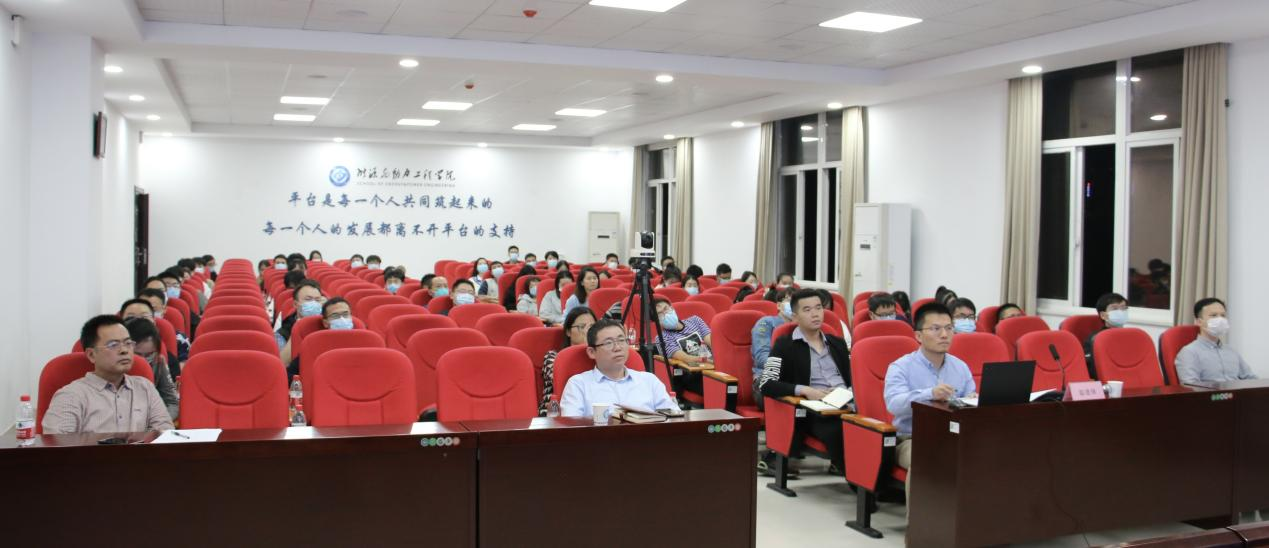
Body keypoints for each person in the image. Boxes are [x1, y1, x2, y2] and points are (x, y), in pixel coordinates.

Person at [884, 302, 976, 515]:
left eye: (949, 328)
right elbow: (894, 404)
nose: (944, 335)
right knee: (927, 459)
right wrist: (929, 394)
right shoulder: (901, 367)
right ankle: (919, 528)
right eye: (935, 329)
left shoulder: (960, 367)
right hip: (911, 438)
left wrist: (972, 400)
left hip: (954, 437)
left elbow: (969, 401)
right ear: (918, 335)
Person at [758, 289, 852, 473]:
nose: (815, 314)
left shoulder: (837, 343)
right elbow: (766, 383)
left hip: (847, 404)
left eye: (818, 308)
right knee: (841, 431)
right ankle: (859, 479)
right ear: (795, 317)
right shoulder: (784, 345)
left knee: (878, 429)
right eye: (807, 310)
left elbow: (852, 379)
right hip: (816, 410)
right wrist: (805, 390)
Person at [42, 315, 174, 434]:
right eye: (113, 345)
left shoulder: (145, 388)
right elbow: (58, 446)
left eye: (128, 343)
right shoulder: (72, 396)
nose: (124, 350)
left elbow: (165, 433)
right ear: (91, 355)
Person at [560, 319, 679, 418]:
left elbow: (674, 419)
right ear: (591, 352)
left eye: (621, 340)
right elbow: (571, 429)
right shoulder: (578, 384)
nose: (617, 348)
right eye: (608, 343)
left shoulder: (649, 381)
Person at [1176, 298, 1257, 385]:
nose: (1220, 319)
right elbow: (1191, 386)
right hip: (1210, 393)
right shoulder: (1189, 352)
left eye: (1223, 315)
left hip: (1237, 392)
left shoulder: (1231, 351)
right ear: (1199, 322)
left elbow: (1251, 379)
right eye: (1213, 315)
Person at [540, 307, 596, 415]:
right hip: (554, 414)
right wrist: (586, 344)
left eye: (592, 327)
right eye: (582, 327)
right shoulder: (552, 357)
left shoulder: (599, 358)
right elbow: (564, 381)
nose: (588, 331)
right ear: (568, 331)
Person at [124, 317, 180, 421]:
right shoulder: (114, 365)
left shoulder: (159, 361)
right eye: (138, 354)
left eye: (149, 354)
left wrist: (159, 421)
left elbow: (172, 402)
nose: (144, 360)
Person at [286, 298, 353, 379]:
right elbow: (289, 375)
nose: (342, 319)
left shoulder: (363, 341)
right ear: (325, 323)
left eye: (345, 314)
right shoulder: (315, 346)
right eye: (335, 316)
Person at [751, 288, 795, 410]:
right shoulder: (767, 322)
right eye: (789, 300)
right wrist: (788, 368)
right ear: (779, 305)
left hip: (795, 380)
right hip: (767, 379)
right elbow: (761, 357)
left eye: (796, 302)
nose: (793, 305)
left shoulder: (802, 327)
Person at [138, 287, 190, 366]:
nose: (143, 317)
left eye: (153, 310)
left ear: (163, 310)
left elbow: (182, 368)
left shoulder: (179, 339)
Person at [278, 280, 325, 365]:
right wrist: (297, 329)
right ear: (295, 304)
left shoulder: (326, 324)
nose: (314, 303)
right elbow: (282, 364)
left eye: (317, 300)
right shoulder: (283, 332)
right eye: (308, 299)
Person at [1084, 292, 1128, 378]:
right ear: (1103, 315)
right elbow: (1092, 369)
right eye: (1115, 309)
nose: (1121, 312)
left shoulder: (1132, 336)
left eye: (1124, 308)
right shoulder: (1096, 339)